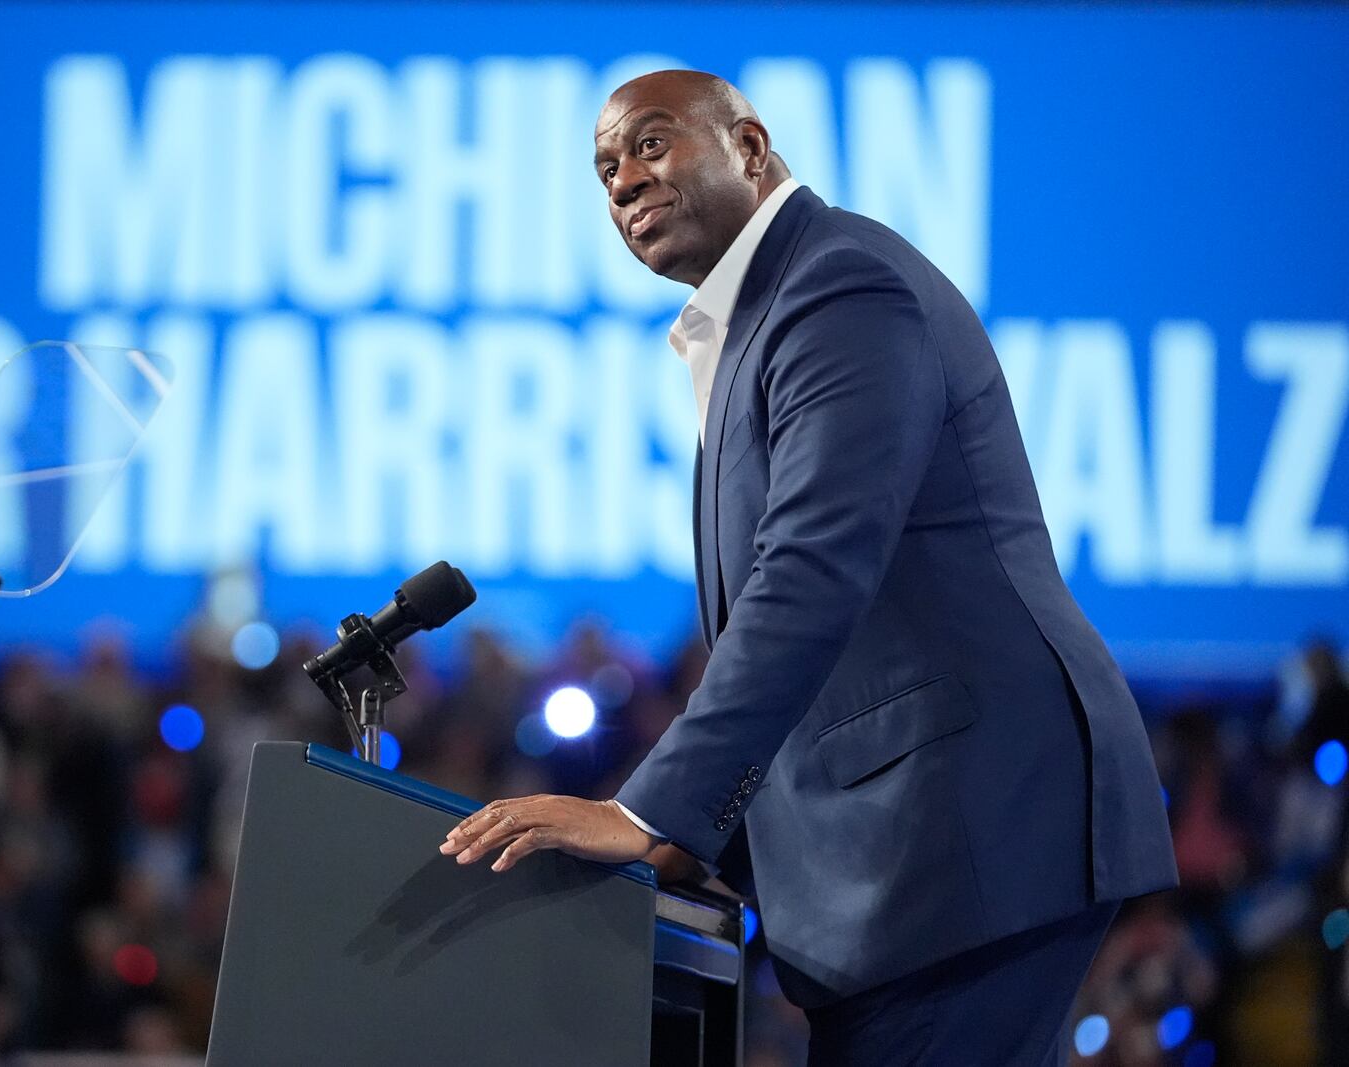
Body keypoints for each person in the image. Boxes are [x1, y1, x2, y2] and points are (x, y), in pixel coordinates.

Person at [441, 69, 1177, 1065]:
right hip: (920, 861)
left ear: (749, 146)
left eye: (652, 145)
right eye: (605, 166)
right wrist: (694, 835)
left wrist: (645, 807)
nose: (621, 181)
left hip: (963, 839)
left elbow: (814, 567)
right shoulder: (763, 313)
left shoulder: (838, 284)